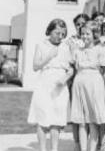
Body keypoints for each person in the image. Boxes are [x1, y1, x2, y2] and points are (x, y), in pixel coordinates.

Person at [28, 19, 73, 151]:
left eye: (63, 34)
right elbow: (35, 66)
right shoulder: (41, 45)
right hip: (44, 83)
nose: (60, 36)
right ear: (50, 31)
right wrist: (49, 56)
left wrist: (65, 78)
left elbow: (71, 68)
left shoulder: (66, 47)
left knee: (56, 119)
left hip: (60, 85)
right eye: (57, 33)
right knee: (42, 118)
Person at [69, 21, 105, 151]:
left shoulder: (99, 49)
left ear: (94, 34)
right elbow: (74, 66)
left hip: (94, 84)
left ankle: (92, 148)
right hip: (79, 83)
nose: (84, 36)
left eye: (88, 34)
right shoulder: (78, 51)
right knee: (81, 120)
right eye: (83, 34)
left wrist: (100, 86)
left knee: (93, 119)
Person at [68, 14, 90, 151]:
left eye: (84, 23)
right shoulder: (71, 41)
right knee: (77, 115)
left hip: (90, 81)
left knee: (89, 114)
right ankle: (77, 144)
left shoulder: (91, 39)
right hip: (75, 79)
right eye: (78, 24)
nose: (80, 26)